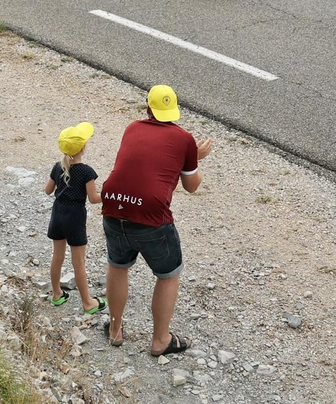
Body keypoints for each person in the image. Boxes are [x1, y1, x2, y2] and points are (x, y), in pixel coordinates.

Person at [101, 84, 213, 356]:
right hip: (151, 216)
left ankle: (115, 330)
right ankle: (161, 339)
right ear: (174, 110)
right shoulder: (184, 138)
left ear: (147, 107)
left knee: (118, 266)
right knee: (168, 275)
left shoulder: (132, 128)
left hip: (113, 205)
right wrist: (195, 158)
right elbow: (191, 186)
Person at [44, 122, 106, 315]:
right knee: (78, 262)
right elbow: (94, 199)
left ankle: (56, 294)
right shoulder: (87, 172)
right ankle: (88, 302)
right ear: (83, 148)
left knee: (57, 257)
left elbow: (48, 190)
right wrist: (109, 193)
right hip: (75, 218)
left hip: (58, 214)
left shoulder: (58, 167)